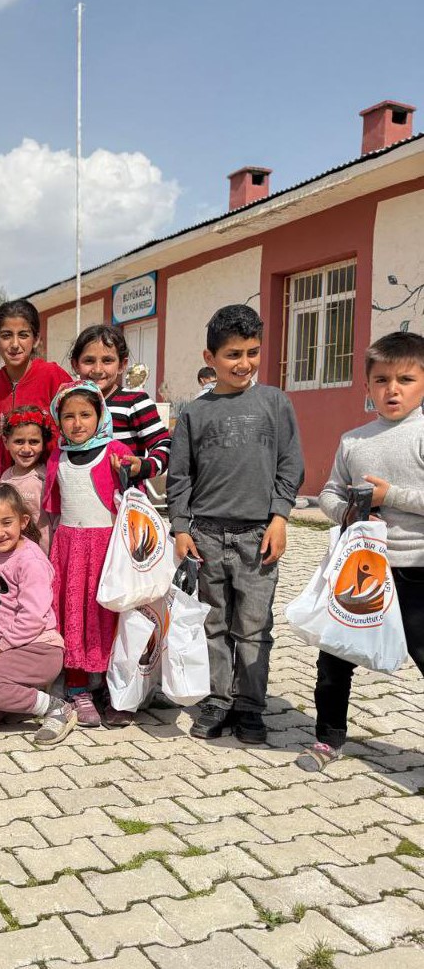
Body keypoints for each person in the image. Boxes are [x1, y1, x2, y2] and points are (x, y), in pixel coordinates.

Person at [167, 304, 304, 745]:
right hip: (205, 535)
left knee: (253, 626)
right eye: (232, 354)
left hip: (257, 536)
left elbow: (290, 464)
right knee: (213, 622)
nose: (244, 363)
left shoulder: (275, 403)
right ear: (210, 358)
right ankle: (218, 700)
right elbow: (180, 475)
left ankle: (250, 706)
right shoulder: (193, 413)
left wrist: (280, 517)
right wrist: (181, 527)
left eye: (252, 352)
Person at [297, 331, 424, 771]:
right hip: (361, 568)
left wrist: (393, 496)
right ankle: (328, 739)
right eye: (382, 379)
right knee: (335, 659)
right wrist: (348, 514)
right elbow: (327, 494)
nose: (393, 389)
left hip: (415, 571)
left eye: (405, 379)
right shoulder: (354, 441)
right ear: (368, 385)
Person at [45, 379, 134, 728]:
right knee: (73, 615)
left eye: (85, 414)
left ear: (101, 414)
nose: (77, 423)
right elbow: (52, 505)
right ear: (58, 419)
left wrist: (128, 472)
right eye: (68, 416)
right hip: (69, 549)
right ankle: (78, 687)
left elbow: (133, 499)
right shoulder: (58, 456)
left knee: (108, 617)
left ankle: (115, 690)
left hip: (107, 550)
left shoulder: (115, 451)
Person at [0, 484, 75, 745]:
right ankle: (6, 706)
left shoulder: (31, 561)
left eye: (7, 522)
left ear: (23, 520)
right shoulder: (0, 550)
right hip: (15, 649)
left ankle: (55, 707)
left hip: (38, 650)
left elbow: (33, 617)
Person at [70, 324, 171, 488]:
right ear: (75, 364)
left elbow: (164, 445)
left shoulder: (135, 402)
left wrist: (143, 467)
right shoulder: (69, 404)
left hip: (122, 505)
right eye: (89, 361)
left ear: (122, 365)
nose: (97, 369)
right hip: (81, 504)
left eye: (107, 360)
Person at [0, 300, 71, 420]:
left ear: (35, 339)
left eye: (23, 335)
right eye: (6, 335)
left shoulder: (53, 376)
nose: (15, 344)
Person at [0, 405, 55, 553]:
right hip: (11, 556)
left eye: (33, 442)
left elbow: (56, 520)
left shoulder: (45, 478)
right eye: (19, 442)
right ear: (6, 442)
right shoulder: (5, 478)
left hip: (42, 555)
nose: (26, 449)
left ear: (43, 443)